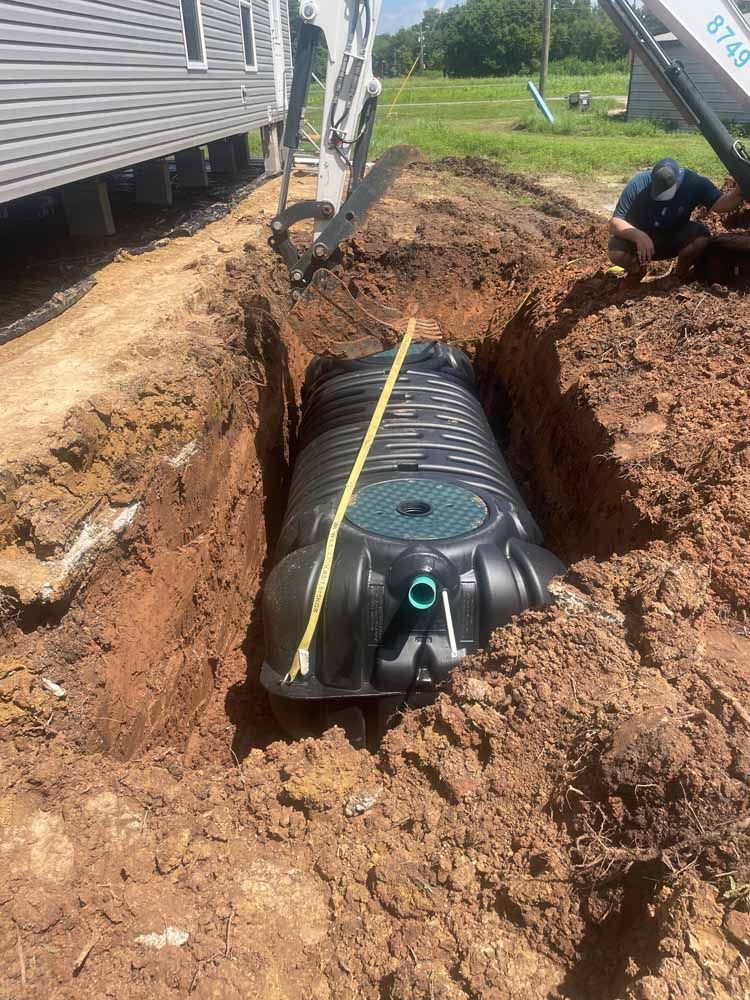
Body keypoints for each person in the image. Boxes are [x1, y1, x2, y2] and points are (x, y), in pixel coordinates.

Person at [608, 157, 745, 288]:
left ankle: (679, 274)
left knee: (701, 237)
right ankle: (636, 272)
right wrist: (639, 236)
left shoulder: (693, 183)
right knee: (616, 251)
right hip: (642, 246)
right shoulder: (638, 184)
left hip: (674, 237)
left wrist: (740, 191)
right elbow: (615, 222)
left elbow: (721, 205)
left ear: (679, 181)